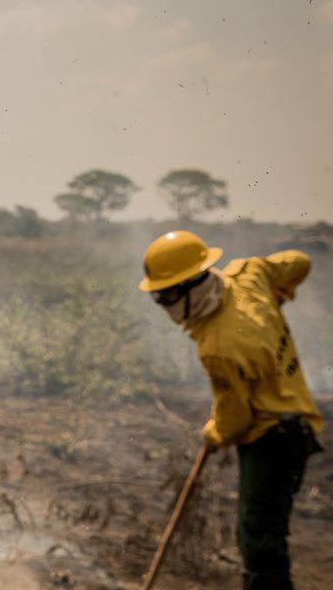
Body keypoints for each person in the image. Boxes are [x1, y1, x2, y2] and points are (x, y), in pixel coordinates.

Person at [139, 230, 324, 590]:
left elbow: (236, 417)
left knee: (258, 536)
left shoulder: (219, 345)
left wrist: (213, 435)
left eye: (168, 295)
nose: (164, 304)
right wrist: (276, 293)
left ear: (194, 285)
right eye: (159, 297)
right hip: (297, 424)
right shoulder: (249, 275)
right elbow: (300, 263)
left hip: (272, 438)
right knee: (264, 527)